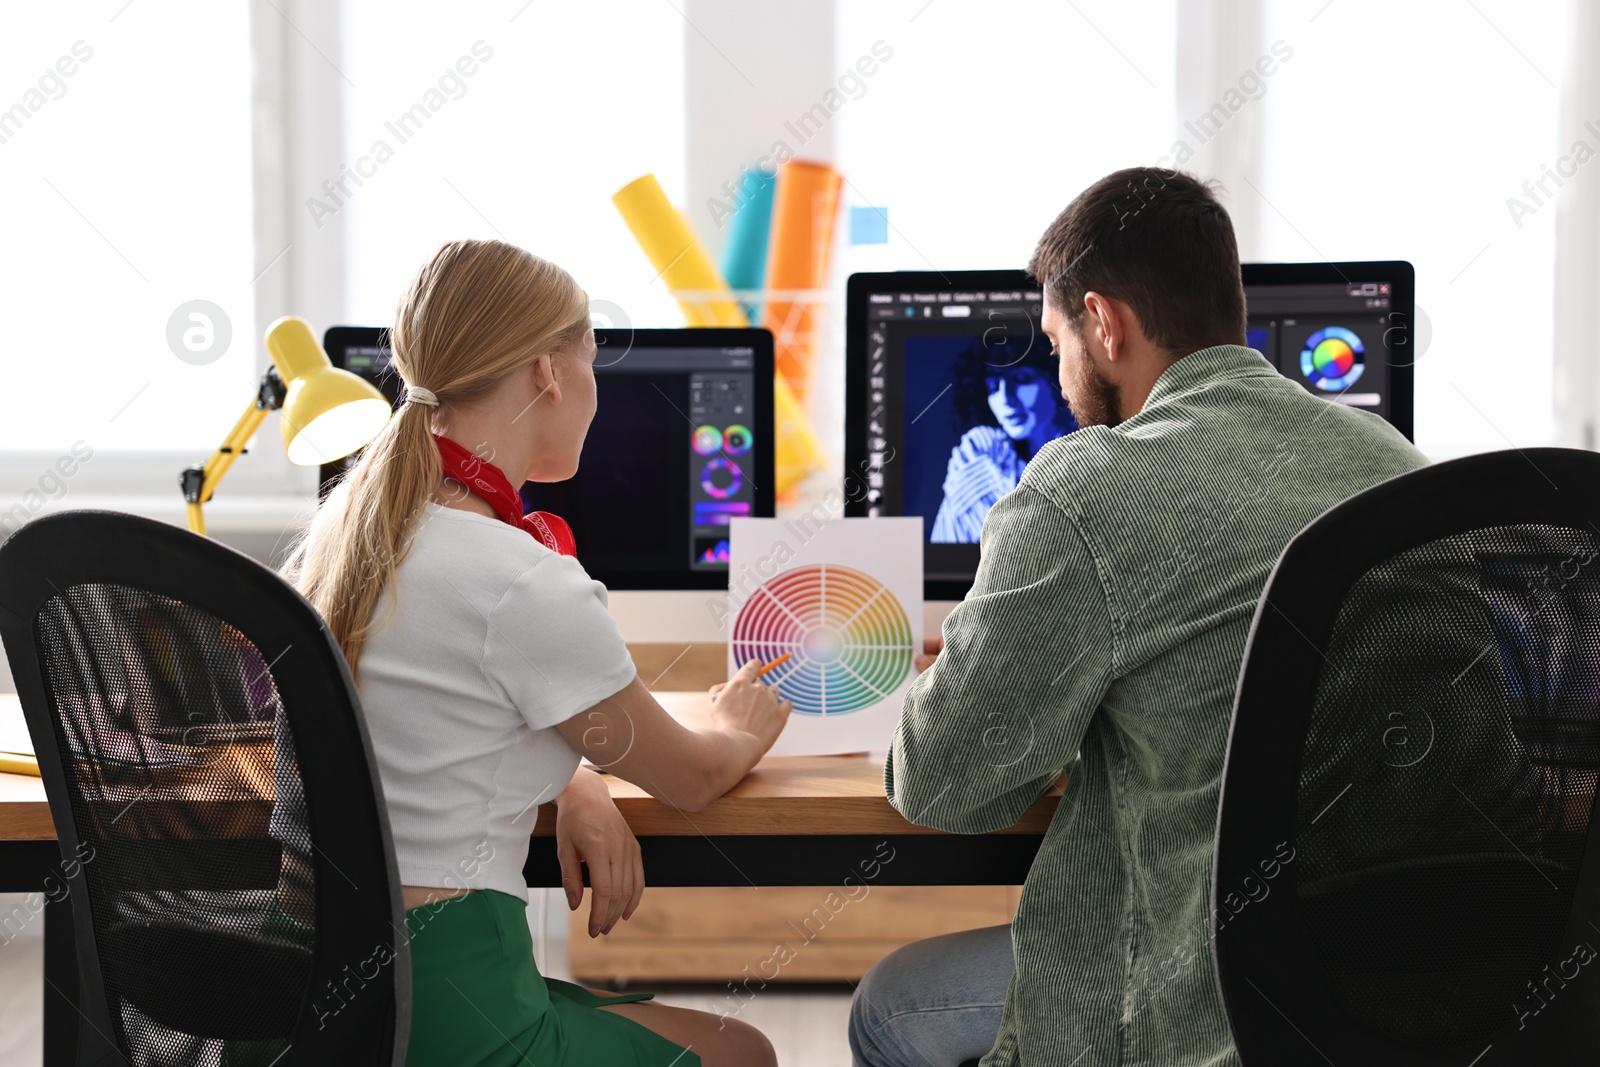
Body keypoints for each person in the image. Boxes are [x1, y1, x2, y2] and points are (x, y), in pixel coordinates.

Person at [848, 167, 1429, 1067]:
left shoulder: (1086, 488)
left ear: (1105, 322)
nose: (1058, 372)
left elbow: (941, 783)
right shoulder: (1393, 457)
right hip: (1405, 984)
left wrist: (962, 662)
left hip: (1200, 1001)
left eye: (1056, 341)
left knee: (889, 1005)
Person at [283, 238, 791, 1067]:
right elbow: (691, 778)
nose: (595, 393)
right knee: (748, 1053)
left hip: (301, 1000)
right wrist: (738, 725)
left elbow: (438, 726)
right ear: (550, 372)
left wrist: (577, 778)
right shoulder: (523, 579)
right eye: (593, 365)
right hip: (437, 1011)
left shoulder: (347, 537)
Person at [931, 337, 1076, 544]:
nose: (1005, 399)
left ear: (1058, 377)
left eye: (1022, 379)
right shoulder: (981, 447)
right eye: (992, 385)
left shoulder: (1088, 450)